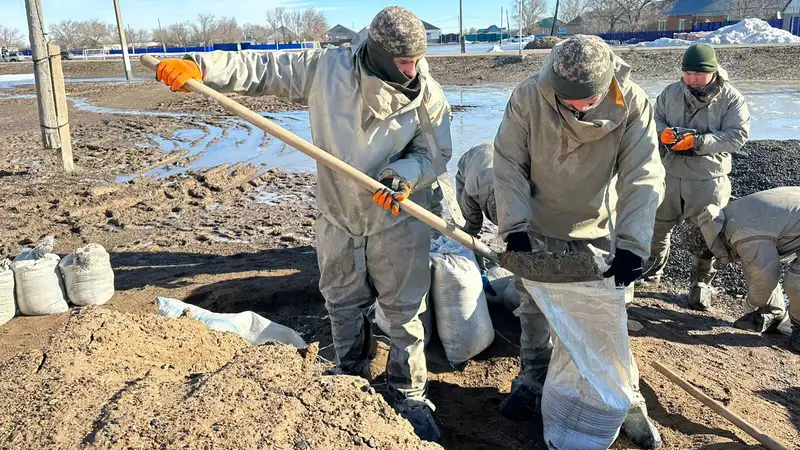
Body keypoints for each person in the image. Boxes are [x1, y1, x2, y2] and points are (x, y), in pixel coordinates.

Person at [154, 6, 451, 443]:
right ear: (381, 55)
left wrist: (404, 175)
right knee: (342, 300)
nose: (412, 70)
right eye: (404, 63)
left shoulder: (427, 94)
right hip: (337, 214)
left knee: (404, 312)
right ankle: (350, 375)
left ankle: (408, 392)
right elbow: (261, 67)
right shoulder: (326, 70)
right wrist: (199, 65)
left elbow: (434, 153)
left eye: (416, 61)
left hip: (396, 216)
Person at [493, 35, 666, 448]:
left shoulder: (633, 103)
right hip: (537, 226)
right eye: (566, 101)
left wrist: (633, 245)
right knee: (534, 310)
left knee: (607, 320)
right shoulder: (529, 97)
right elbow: (508, 162)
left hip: (599, 231)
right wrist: (515, 228)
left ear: (605, 87)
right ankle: (534, 382)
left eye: (584, 103)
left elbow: (643, 175)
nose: (574, 108)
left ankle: (626, 400)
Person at [640, 43, 750, 312]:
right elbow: (655, 120)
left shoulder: (731, 98)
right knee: (655, 225)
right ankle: (651, 273)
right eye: (687, 73)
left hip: (708, 179)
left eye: (698, 74)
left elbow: (738, 136)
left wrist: (698, 142)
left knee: (706, 233)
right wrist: (662, 133)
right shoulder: (671, 92)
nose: (692, 80)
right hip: (669, 173)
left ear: (712, 72)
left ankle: (700, 284)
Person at [694, 187, 800, 351]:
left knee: (796, 281)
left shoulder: (743, 234)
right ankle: (775, 313)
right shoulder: (729, 218)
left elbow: (765, 276)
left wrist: (751, 304)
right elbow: (755, 264)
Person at [455, 141, 498, 238]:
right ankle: (469, 236)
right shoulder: (473, 190)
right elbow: (469, 210)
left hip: (500, 152)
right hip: (470, 160)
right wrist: (471, 229)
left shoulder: (518, 188)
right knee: (470, 219)